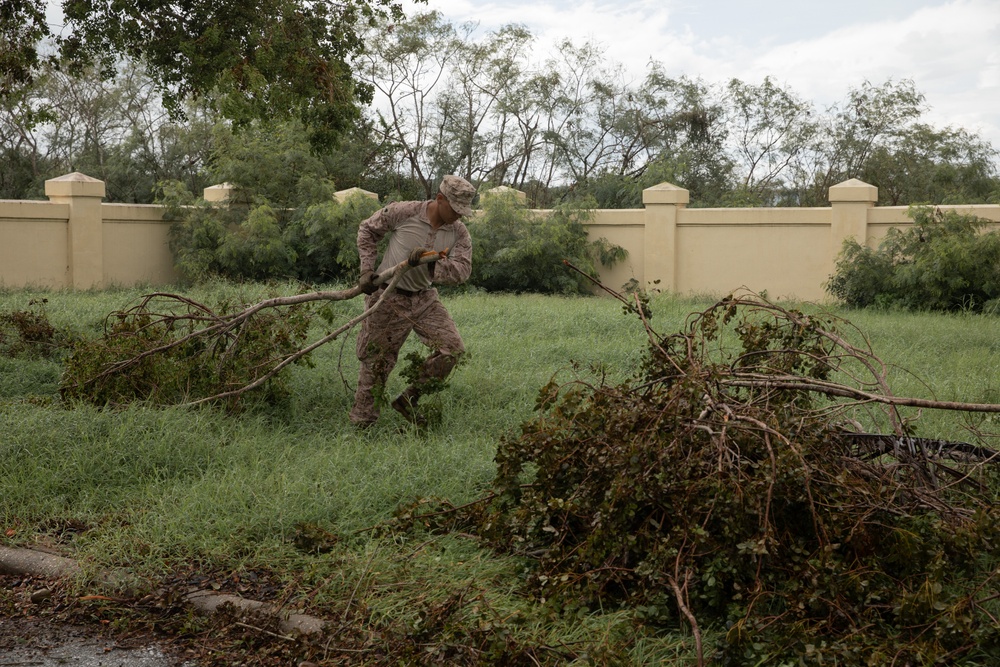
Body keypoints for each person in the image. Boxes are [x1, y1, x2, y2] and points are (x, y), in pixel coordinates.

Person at [349, 175, 477, 428]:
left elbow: (463, 270)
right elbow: (367, 230)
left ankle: (408, 400)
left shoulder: (459, 232)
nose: (459, 216)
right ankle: (362, 426)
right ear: (440, 199)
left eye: (463, 211)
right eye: (455, 209)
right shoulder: (403, 212)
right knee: (377, 363)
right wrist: (366, 270)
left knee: (452, 350)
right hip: (388, 297)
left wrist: (431, 265)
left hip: (424, 299)